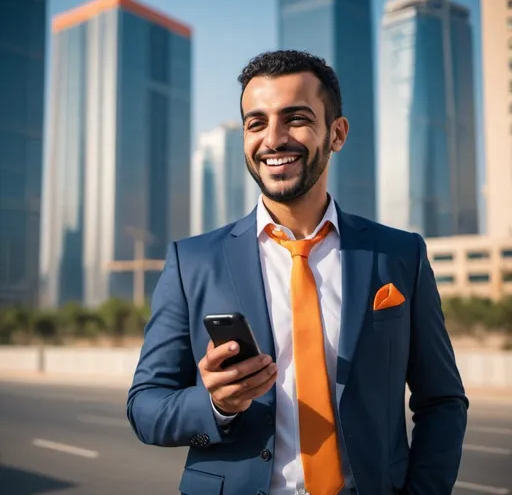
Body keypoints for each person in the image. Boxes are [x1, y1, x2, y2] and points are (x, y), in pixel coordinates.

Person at [126, 50, 468, 495]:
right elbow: (145, 409)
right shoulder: (192, 262)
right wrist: (216, 404)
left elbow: (442, 400)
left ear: (337, 133)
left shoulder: (399, 255)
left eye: (296, 118)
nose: (273, 138)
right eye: (256, 122)